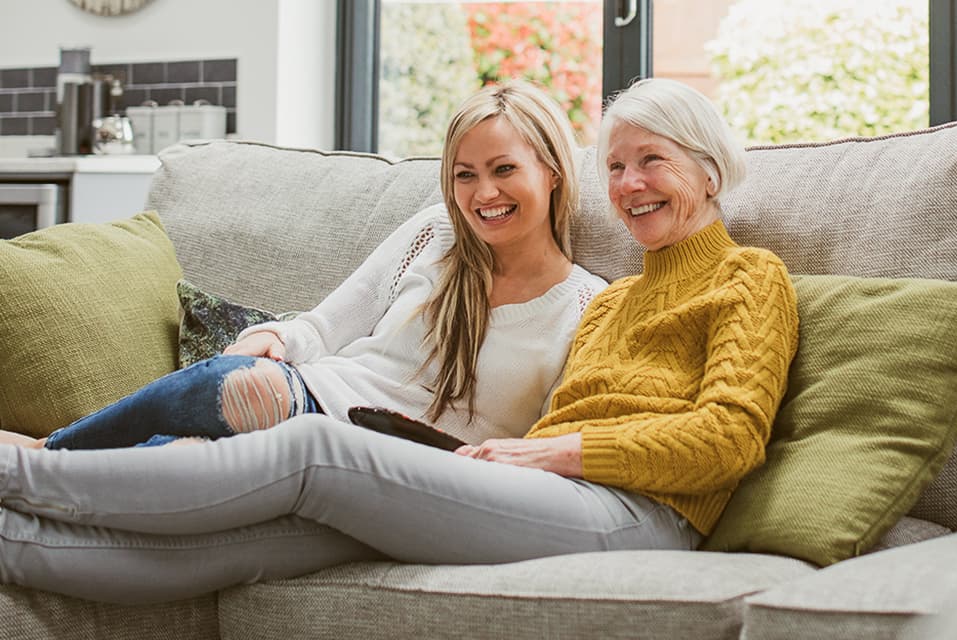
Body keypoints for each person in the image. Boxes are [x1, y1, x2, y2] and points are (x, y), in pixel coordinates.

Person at [0, 78, 799, 605]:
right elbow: (550, 421)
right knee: (260, 545)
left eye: (651, 161)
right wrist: (521, 457)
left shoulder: (749, 277)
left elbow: (729, 438)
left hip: (641, 513)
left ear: (709, 172)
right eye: (616, 166)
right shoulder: (616, 299)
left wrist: (548, 454)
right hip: (550, 490)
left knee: (314, 449)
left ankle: (25, 473)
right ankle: (13, 542)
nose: (629, 185)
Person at [0, 79, 607, 452]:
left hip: (398, 461)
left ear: (553, 171)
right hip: (317, 399)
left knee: (195, 456)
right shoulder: (435, 233)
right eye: (465, 175)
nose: (483, 194)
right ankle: (48, 454)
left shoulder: (587, 306)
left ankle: (44, 460)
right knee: (235, 398)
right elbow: (323, 327)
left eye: (504, 170)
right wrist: (272, 338)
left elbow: (552, 435)